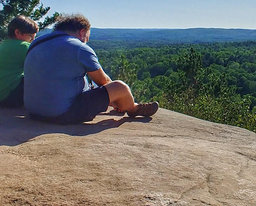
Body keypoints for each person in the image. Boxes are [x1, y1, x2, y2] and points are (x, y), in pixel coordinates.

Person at [23, 14, 158, 124]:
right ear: (82, 32)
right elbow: (104, 82)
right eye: (87, 37)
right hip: (61, 114)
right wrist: (116, 98)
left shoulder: (37, 42)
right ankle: (133, 108)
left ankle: (121, 104)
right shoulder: (79, 48)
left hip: (33, 111)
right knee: (120, 87)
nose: (86, 41)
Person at [0, 15, 38, 107]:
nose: (32, 40)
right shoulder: (23, 46)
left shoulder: (3, 45)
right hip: (6, 97)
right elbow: (44, 67)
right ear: (18, 32)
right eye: (30, 37)